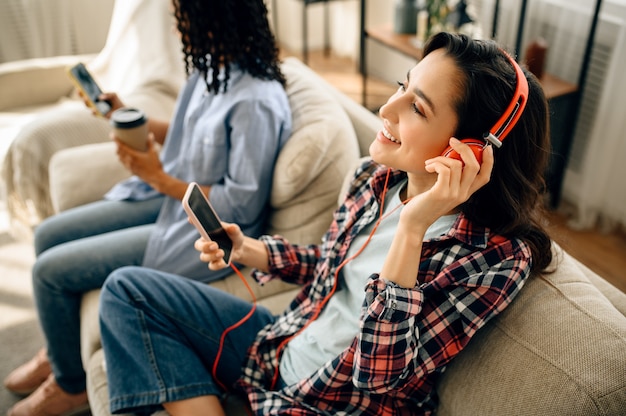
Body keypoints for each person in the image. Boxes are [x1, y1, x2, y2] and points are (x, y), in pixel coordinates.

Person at [98, 31, 554, 415]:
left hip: (325, 401)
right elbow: (331, 265)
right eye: (402, 85)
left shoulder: (495, 260)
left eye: (417, 108)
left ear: (472, 152)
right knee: (126, 291)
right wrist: (248, 249)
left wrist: (413, 227)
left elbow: (380, 375)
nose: (386, 109)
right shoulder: (374, 179)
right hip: (281, 345)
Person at [3, 0, 292, 414]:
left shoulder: (258, 102)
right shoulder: (212, 68)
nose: (177, 30)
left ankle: (70, 383)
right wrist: (127, 116)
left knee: (48, 273)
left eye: (183, 19)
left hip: (195, 228)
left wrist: (158, 177)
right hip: (166, 201)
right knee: (48, 234)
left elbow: (240, 207)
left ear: (216, 20)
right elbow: (191, 132)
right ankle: (62, 348)